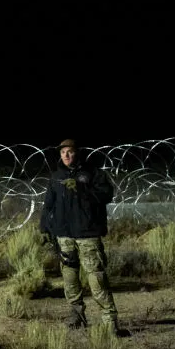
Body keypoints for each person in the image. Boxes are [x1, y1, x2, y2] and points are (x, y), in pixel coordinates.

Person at [41, 139, 127, 336]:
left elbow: (106, 195)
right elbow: (48, 205)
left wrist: (81, 189)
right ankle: (76, 315)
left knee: (95, 276)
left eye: (70, 152)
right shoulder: (56, 177)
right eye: (63, 152)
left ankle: (110, 321)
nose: (66, 156)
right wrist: (44, 228)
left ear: (77, 153)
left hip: (87, 233)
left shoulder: (92, 173)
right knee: (69, 276)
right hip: (64, 234)